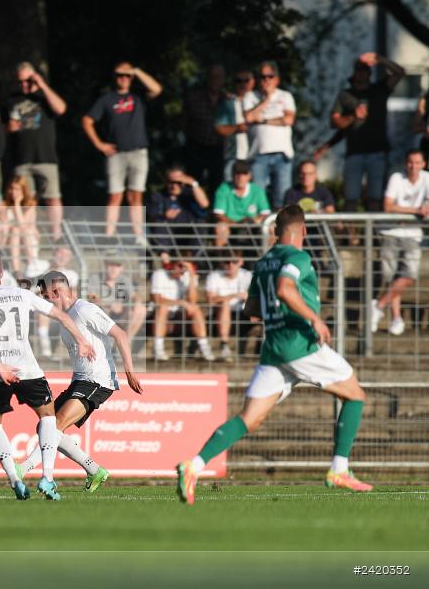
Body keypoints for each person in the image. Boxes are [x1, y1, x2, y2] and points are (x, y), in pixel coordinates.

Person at [177, 205, 373, 505]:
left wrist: (275, 312)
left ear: (275, 231)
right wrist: (314, 318)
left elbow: (251, 310)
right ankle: (339, 469)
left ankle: (195, 465)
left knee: (249, 419)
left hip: (274, 348)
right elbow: (285, 288)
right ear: (303, 230)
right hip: (300, 343)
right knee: (355, 394)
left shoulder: (264, 261)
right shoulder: (298, 257)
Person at [0, 249, 96, 500]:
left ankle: (14, 478)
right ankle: (47, 477)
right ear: (2, 271)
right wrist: (82, 340)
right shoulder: (21, 294)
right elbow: (59, 314)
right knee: (47, 416)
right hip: (28, 370)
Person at [17, 270, 142, 492]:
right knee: (44, 426)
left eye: (46, 296)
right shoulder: (65, 318)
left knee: (53, 426)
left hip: (98, 381)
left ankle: (23, 469)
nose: (45, 301)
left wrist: (129, 372)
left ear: (57, 291)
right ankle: (94, 470)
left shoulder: (85, 310)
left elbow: (120, 334)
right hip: (80, 380)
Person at [82, 60, 162, 239]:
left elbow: (157, 89)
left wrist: (136, 70)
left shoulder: (138, 97)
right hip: (116, 153)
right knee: (115, 196)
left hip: (138, 152)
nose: (124, 79)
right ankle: (109, 236)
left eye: (127, 76)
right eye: (120, 75)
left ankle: (139, 237)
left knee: (136, 196)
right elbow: (87, 120)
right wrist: (99, 144)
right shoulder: (107, 99)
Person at [330, 53, 404, 212]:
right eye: (359, 70)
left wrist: (380, 59)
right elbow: (334, 122)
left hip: (377, 152)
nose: (362, 73)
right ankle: (350, 238)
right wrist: (352, 116)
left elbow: (400, 72)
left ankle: (374, 236)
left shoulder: (380, 89)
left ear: (370, 72)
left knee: (375, 198)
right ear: (354, 72)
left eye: (365, 70)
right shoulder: (345, 95)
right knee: (350, 199)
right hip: (354, 153)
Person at [370, 149, 429, 336]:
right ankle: (396, 318)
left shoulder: (427, 179)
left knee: (408, 276)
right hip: (390, 232)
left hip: (412, 234)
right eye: (411, 162)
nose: (413, 166)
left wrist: (412, 210)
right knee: (391, 278)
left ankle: (378, 306)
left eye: (418, 162)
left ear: (424, 164)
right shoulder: (397, 177)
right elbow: (388, 206)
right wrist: (415, 211)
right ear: (406, 163)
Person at [8, 61, 67, 239]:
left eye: (28, 81)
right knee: (27, 200)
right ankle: (30, 236)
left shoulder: (45, 96)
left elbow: (61, 108)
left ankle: (57, 235)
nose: (25, 85)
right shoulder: (12, 99)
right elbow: (6, 126)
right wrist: (10, 127)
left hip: (46, 156)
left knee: (53, 197)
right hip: (23, 158)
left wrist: (42, 85)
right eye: (21, 82)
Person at [243, 61, 296, 208]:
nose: (266, 80)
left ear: (277, 79)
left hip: (282, 155)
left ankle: (281, 229)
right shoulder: (250, 96)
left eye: (270, 76)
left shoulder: (285, 96)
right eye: (262, 77)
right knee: (258, 200)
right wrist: (266, 100)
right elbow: (248, 117)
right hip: (258, 155)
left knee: (283, 198)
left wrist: (264, 120)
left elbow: (289, 119)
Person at [150, 259, 215, 362]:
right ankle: (158, 348)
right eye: (180, 266)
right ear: (172, 265)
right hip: (161, 315)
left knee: (195, 309)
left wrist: (192, 276)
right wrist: (180, 302)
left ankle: (204, 347)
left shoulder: (187, 276)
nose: (183, 270)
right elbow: (157, 299)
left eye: (186, 267)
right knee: (163, 307)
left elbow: (192, 300)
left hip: (180, 316)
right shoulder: (160, 274)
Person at [87, 253, 147, 352]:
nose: (113, 269)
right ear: (106, 265)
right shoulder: (95, 278)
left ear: (122, 268)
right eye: (111, 265)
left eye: (117, 265)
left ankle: (124, 345)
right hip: (102, 315)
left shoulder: (124, 279)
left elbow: (134, 296)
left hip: (121, 315)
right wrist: (109, 305)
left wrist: (137, 302)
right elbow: (91, 297)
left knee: (140, 309)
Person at [146, 165, 209, 259]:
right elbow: (151, 218)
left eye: (178, 182)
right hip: (168, 234)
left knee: (201, 224)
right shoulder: (158, 196)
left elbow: (204, 204)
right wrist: (164, 216)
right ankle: (164, 258)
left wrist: (193, 183)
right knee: (159, 222)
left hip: (188, 232)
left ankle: (194, 261)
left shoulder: (190, 193)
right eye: (171, 182)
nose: (174, 185)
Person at [182, 64, 226, 191]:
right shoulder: (194, 98)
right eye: (213, 76)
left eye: (219, 77)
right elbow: (184, 123)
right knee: (193, 182)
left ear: (223, 79)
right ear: (208, 78)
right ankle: (192, 210)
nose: (215, 80)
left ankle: (214, 210)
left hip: (218, 148)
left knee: (217, 184)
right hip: (196, 146)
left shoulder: (227, 99)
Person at [205, 251, 252, 362]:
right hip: (220, 313)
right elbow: (211, 300)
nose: (230, 265)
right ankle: (224, 345)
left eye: (234, 262)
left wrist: (248, 298)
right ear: (222, 263)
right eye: (227, 262)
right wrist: (233, 295)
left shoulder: (247, 275)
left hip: (244, 313)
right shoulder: (214, 276)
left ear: (240, 262)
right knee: (225, 305)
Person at [213, 159, 271, 248]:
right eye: (238, 174)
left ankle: (270, 260)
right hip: (231, 226)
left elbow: (265, 213)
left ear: (249, 176)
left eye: (244, 174)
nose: (241, 177)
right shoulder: (223, 189)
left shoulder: (257, 190)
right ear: (233, 175)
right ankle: (222, 261)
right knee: (221, 227)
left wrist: (255, 221)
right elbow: (219, 214)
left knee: (271, 227)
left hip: (254, 227)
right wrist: (235, 224)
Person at [214, 68, 254, 182]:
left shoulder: (259, 101)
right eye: (238, 81)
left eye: (246, 80)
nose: (242, 84)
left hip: (257, 156)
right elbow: (219, 127)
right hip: (233, 155)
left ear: (252, 82)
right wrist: (238, 128)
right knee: (229, 187)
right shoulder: (228, 103)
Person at [1, 176, 41, 276]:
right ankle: (17, 271)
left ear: (23, 190)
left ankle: (31, 266)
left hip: (27, 240)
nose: (13, 192)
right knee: (15, 231)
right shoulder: (4, 204)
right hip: (9, 241)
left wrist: (17, 204)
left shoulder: (31, 205)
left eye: (17, 189)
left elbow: (22, 225)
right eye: (11, 188)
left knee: (18, 230)